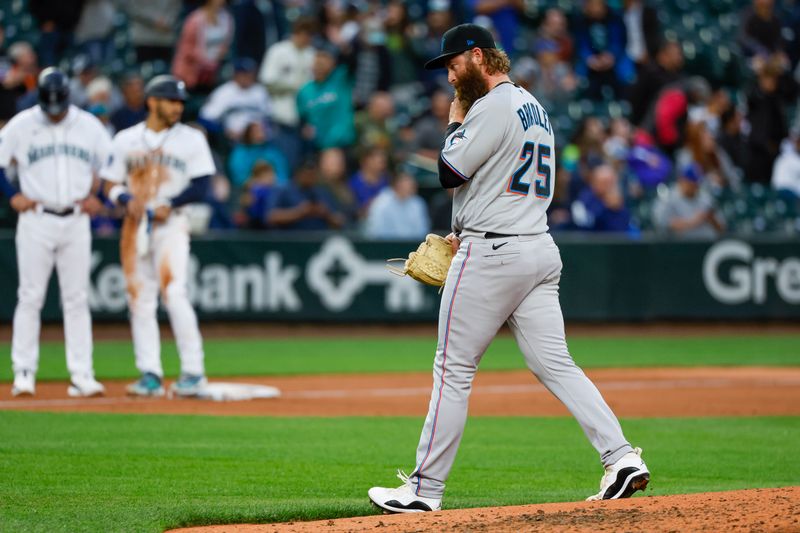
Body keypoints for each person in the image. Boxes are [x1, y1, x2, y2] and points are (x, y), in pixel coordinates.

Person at [367, 23, 649, 514]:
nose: (451, 78)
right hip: (536, 248)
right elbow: (498, 178)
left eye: (454, 65)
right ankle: (621, 457)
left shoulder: (490, 105)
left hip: (492, 255)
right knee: (556, 364)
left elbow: (448, 171)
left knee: (453, 370)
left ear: (478, 56)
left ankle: (424, 490)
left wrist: (455, 123)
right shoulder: (533, 107)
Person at [100, 75, 214, 397]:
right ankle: (150, 373)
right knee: (139, 299)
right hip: (135, 227)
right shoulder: (125, 139)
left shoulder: (191, 139)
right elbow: (108, 184)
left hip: (172, 223)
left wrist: (171, 203)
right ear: (152, 102)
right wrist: (124, 199)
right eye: (171, 100)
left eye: (180, 101)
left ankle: (193, 371)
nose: (177, 106)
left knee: (175, 292)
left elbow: (202, 184)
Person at [0, 67, 111, 397]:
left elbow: (111, 165)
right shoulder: (22, 124)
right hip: (37, 218)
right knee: (30, 296)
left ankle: (82, 374)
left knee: (77, 298)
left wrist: (100, 196)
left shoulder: (88, 125)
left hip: (76, 218)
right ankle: (24, 372)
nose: (55, 112)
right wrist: (12, 195)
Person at [652, 163, 725, 238]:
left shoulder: (706, 197)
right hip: (678, 246)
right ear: (682, 180)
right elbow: (662, 224)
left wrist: (711, 219)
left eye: (697, 183)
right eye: (692, 183)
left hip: (707, 244)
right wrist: (693, 221)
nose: (695, 186)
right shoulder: (668, 197)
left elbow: (722, 228)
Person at [364, 172, 430, 239]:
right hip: (386, 246)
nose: (413, 185)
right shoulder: (381, 203)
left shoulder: (418, 203)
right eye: (408, 183)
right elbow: (376, 232)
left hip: (414, 246)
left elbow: (422, 230)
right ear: (398, 184)